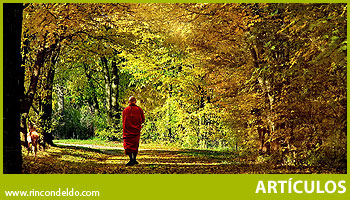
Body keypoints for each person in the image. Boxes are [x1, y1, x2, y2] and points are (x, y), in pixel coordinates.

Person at [122, 96, 145, 166]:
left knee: (128, 145)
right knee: (135, 145)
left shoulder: (125, 110)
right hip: (136, 131)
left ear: (129, 102)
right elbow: (143, 120)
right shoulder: (139, 109)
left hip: (127, 131)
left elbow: (123, 121)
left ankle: (131, 160)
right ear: (135, 101)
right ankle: (134, 159)